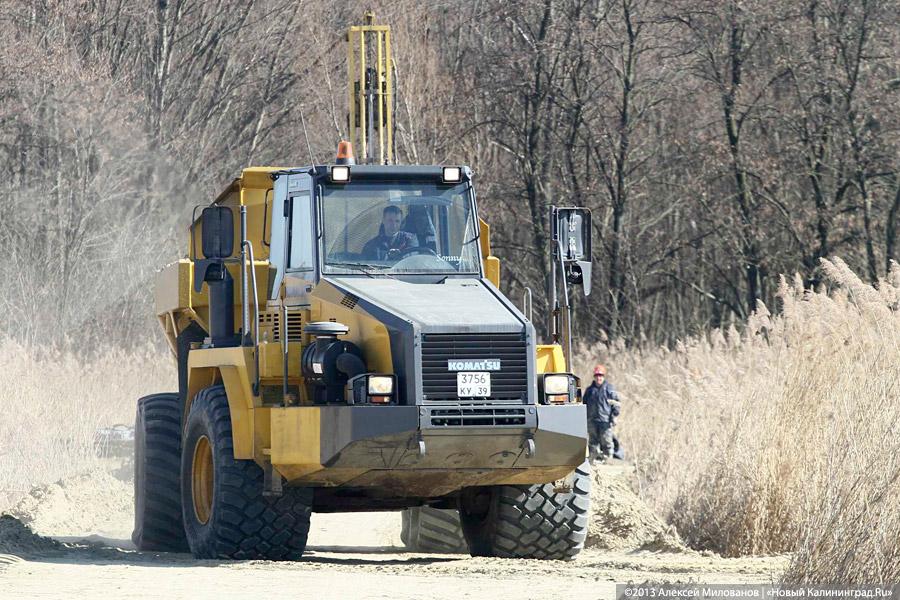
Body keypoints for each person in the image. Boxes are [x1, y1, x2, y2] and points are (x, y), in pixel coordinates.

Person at [583, 364, 622, 463]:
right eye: (597, 376)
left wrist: (615, 416)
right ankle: (592, 460)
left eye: (600, 375)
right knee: (592, 441)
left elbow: (616, 403)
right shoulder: (589, 390)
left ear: (603, 377)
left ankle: (608, 459)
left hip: (605, 420)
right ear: (594, 377)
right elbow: (584, 404)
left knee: (606, 441)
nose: (599, 378)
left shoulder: (609, 388)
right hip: (591, 420)